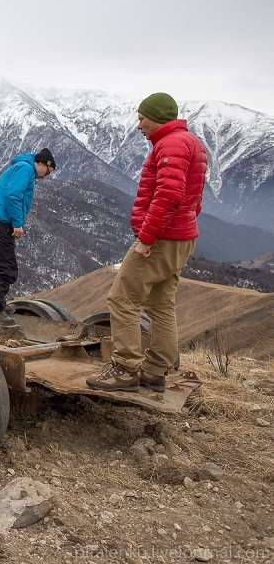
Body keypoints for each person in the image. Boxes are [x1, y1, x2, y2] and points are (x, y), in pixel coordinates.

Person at [87, 92, 207, 393]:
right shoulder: (191, 143)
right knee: (161, 303)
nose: (138, 125)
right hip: (182, 235)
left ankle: (125, 368)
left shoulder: (170, 144)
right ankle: (155, 370)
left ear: (157, 117)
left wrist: (146, 238)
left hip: (162, 237)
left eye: (142, 118)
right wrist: (187, 222)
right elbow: (195, 196)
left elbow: (168, 195)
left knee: (122, 298)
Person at [0, 148, 56, 326]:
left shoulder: (24, 167)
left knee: (3, 264)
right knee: (6, 267)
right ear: (42, 163)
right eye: (48, 172)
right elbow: (13, 195)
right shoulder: (25, 169)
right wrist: (17, 222)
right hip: (2, 221)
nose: (45, 177)